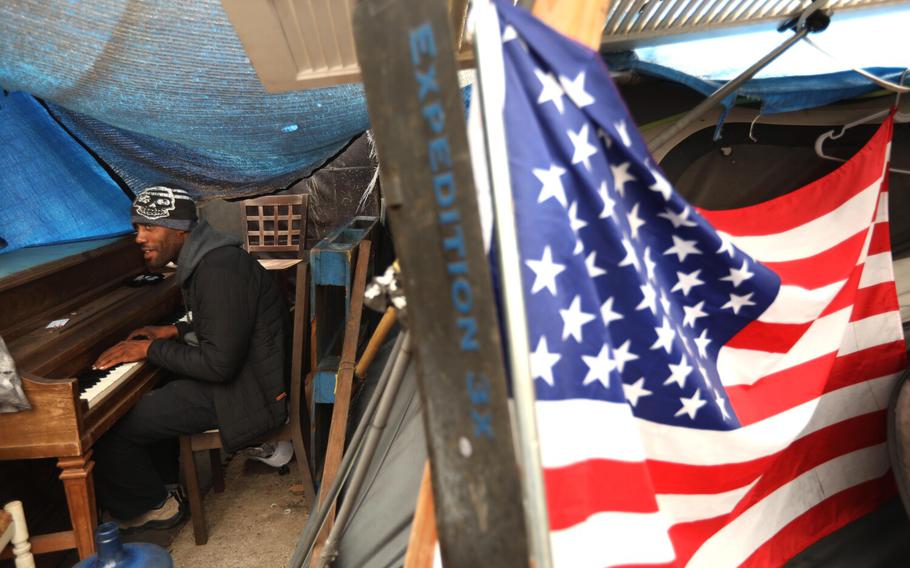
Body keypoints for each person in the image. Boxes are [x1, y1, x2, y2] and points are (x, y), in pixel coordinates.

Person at [91, 185, 291, 530]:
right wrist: (177, 333)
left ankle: (156, 505)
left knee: (111, 425)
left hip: (248, 394)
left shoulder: (218, 270)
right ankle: (168, 485)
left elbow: (218, 365)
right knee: (152, 396)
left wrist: (150, 349)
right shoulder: (213, 258)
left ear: (180, 229)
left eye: (148, 227)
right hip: (250, 380)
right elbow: (226, 322)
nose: (139, 237)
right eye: (137, 228)